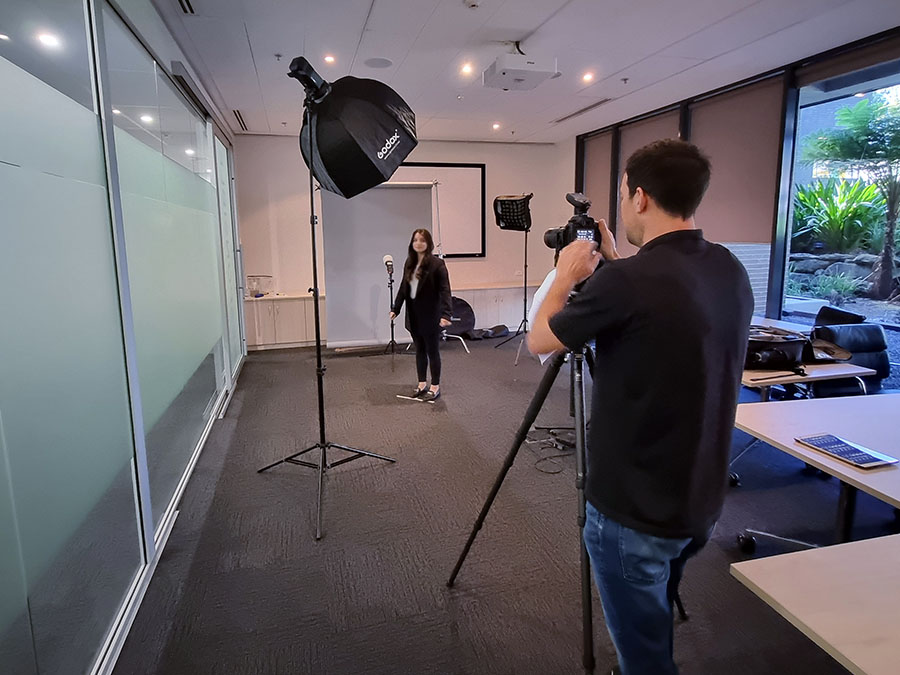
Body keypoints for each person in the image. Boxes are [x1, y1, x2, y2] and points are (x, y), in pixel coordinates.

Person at [527, 139, 753, 675]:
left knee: (645, 657)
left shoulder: (625, 283)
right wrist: (620, 263)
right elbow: (662, 302)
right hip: (698, 503)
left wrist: (565, 274)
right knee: (652, 616)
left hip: (633, 514)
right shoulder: (728, 268)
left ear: (641, 197)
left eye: (625, 195)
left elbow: (540, 340)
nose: (623, 207)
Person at [391, 228, 452, 402]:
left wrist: (447, 314)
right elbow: (404, 287)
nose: (418, 243)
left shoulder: (437, 264)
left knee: (432, 352)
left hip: (432, 315)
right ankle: (421, 383)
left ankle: (435, 386)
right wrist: (396, 308)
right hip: (414, 316)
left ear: (428, 244)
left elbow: (445, 290)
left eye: (422, 240)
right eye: (416, 240)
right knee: (420, 351)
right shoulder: (409, 262)